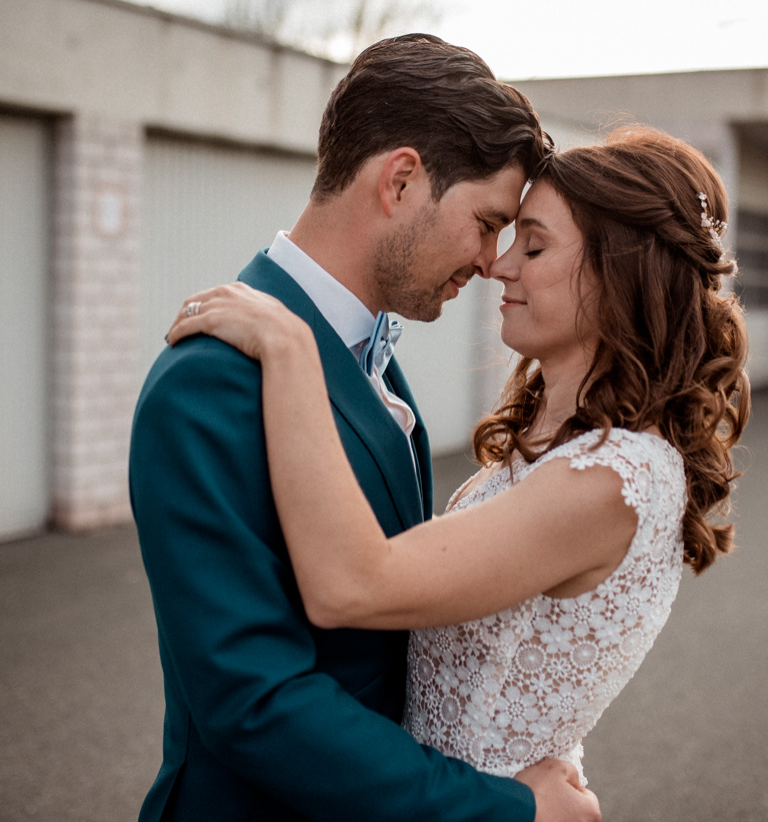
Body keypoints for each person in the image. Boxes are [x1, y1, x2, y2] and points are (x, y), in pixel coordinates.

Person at [165, 125, 751, 789]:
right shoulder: (563, 443)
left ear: (620, 273)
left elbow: (353, 584)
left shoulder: (616, 476)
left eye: (533, 244)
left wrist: (293, 348)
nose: (498, 265)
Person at [129, 33, 600, 822]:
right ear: (403, 180)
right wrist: (504, 810)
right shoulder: (209, 384)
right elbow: (258, 702)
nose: (492, 261)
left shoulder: (367, 356)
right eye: (487, 222)